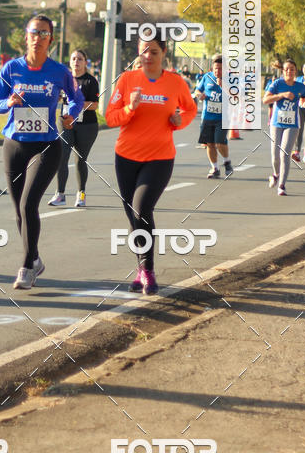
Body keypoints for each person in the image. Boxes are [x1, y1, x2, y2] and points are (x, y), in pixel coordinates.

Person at [0, 15, 84, 290]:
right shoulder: (11, 69)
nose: (38, 38)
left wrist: (70, 114)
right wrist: (7, 101)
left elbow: (77, 99)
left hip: (47, 145)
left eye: (43, 33)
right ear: (26, 37)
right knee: (19, 210)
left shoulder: (59, 71)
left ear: (50, 39)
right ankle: (36, 258)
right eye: (34, 32)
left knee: (29, 204)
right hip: (15, 144)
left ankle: (27, 267)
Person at [105, 30, 196, 295]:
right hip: (125, 157)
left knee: (142, 208)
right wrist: (130, 108)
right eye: (143, 50)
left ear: (164, 53)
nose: (147, 56)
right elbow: (111, 118)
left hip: (159, 157)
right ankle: (141, 268)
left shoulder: (175, 83)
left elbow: (189, 109)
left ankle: (149, 271)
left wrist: (181, 121)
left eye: (153, 51)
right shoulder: (127, 79)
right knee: (134, 219)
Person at [48, 49, 99, 207]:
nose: (76, 62)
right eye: (73, 59)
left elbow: (95, 105)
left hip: (87, 125)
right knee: (61, 157)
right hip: (65, 122)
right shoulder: (63, 79)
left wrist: (77, 103)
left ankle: (81, 194)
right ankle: (60, 194)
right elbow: (54, 96)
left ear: (85, 62)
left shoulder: (90, 81)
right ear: (70, 62)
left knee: (80, 160)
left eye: (80, 59)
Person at [263, 59, 305, 196]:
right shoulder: (277, 84)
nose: (289, 71)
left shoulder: (300, 86)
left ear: (296, 71)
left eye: (292, 69)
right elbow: (265, 100)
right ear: (283, 71)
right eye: (287, 69)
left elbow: (304, 100)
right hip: (276, 123)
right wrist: (282, 95)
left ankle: (282, 185)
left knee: (284, 154)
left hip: (292, 124)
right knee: (275, 155)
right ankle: (276, 174)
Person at [194, 55, 233, 179]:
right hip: (207, 116)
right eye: (216, 68)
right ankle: (215, 168)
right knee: (210, 144)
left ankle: (227, 161)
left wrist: (224, 86)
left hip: (223, 117)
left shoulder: (231, 79)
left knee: (220, 143)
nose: (217, 71)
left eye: (220, 68)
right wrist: (200, 95)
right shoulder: (207, 77)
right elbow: (197, 90)